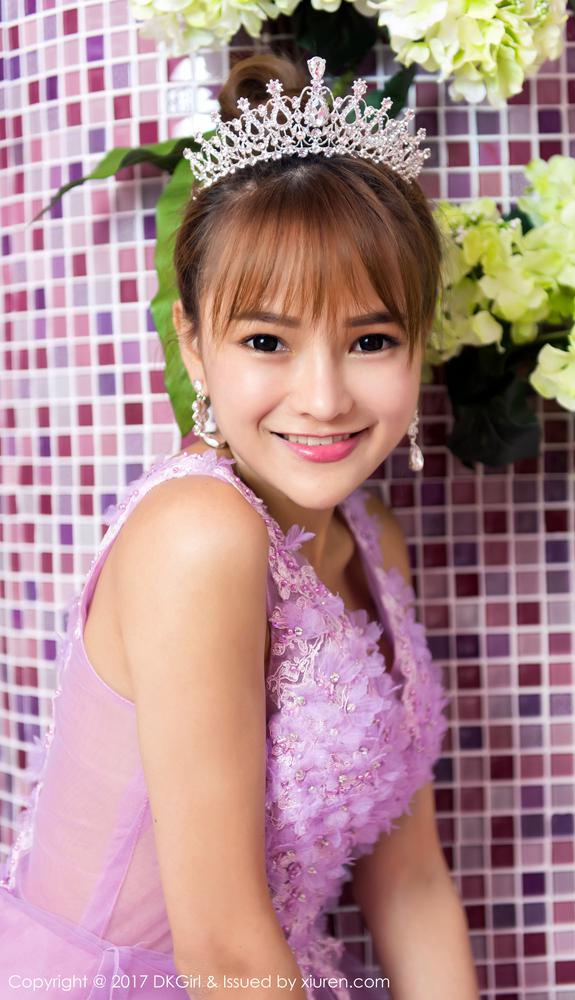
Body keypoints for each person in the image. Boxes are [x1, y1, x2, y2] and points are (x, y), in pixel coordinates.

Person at [0, 53, 479, 1000]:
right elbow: (220, 941)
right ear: (194, 345)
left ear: (420, 343)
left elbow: (410, 881)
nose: (324, 396)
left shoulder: (372, 539)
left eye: (371, 340)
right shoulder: (198, 535)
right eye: (267, 341)